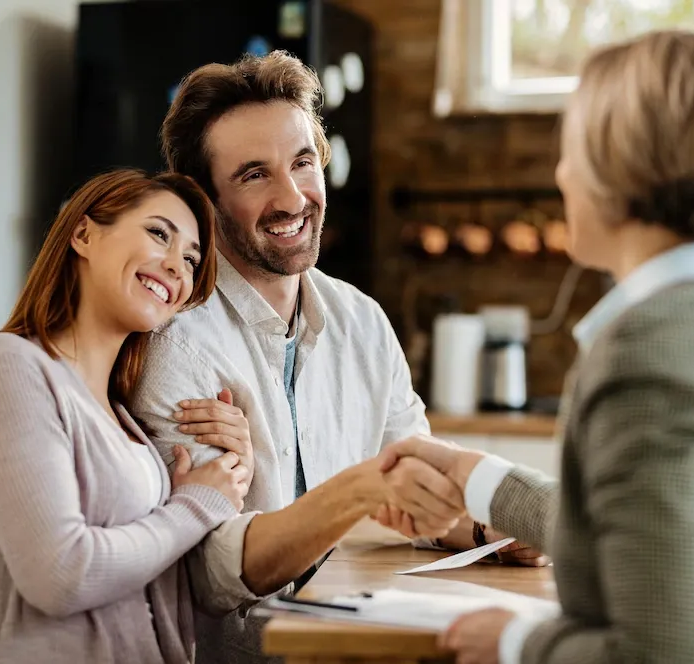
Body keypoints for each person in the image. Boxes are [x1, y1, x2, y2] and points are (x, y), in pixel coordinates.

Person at [129, 51, 536, 663]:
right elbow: (209, 573)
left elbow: (412, 495)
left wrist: (488, 533)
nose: (292, 197)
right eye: (253, 175)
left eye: (301, 162)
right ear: (204, 203)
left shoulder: (361, 320)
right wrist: (359, 491)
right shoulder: (178, 344)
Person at [379, 28, 694, 664]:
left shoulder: (648, 354)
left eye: (572, 148)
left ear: (623, 164)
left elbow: (667, 653)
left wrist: (516, 640)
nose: (560, 172)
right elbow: (655, 542)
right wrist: (478, 478)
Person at [0, 169, 253, 664]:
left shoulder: (121, 418)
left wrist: (229, 475)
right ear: (84, 234)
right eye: (159, 234)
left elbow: (151, 578)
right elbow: (62, 576)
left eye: (191, 259)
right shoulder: (7, 366)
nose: (177, 266)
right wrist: (196, 506)